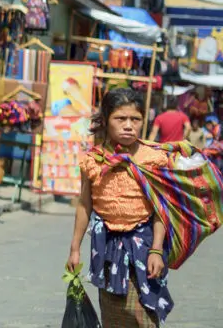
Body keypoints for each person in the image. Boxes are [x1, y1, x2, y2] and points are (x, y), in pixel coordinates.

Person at [67, 88, 172, 327]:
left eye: (135, 119)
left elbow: (161, 209)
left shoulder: (152, 159)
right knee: (114, 311)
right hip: (107, 247)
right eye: (120, 119)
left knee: (144, 313)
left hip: (144, 246)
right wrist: (75, 248)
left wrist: (156, 249)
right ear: (106, 120)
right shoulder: (93, 161)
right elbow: (85, 204)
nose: (128, 126)